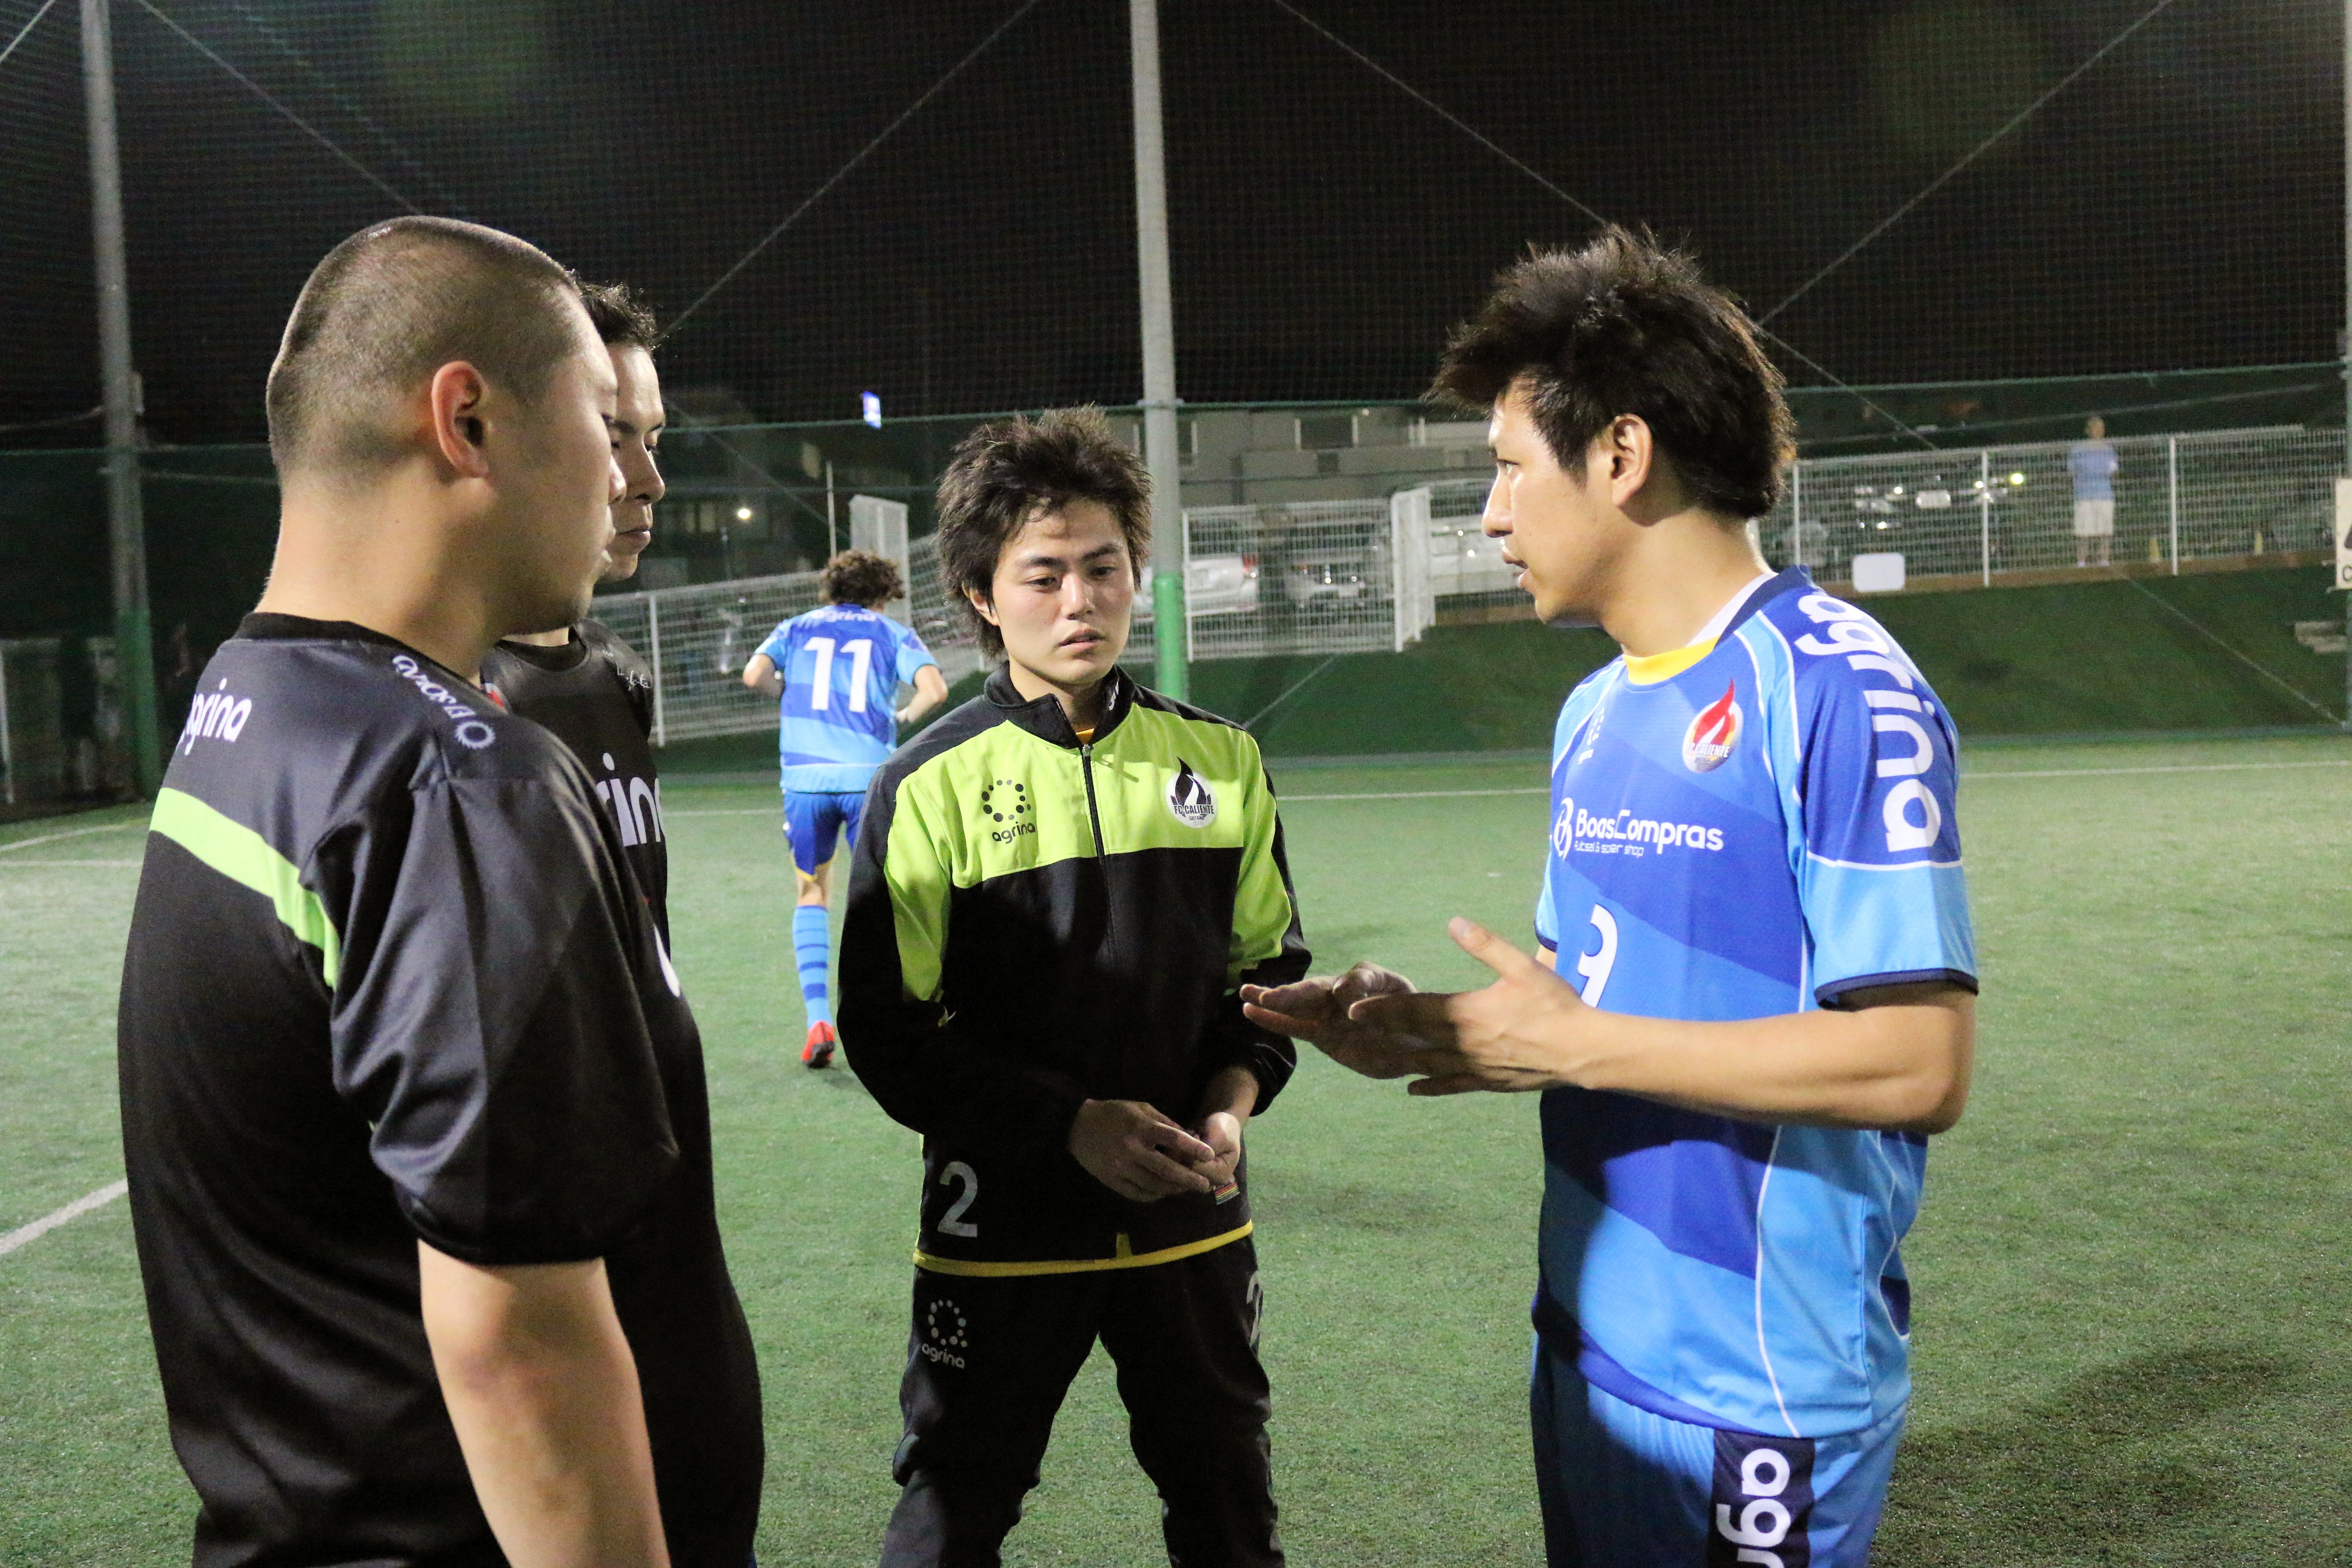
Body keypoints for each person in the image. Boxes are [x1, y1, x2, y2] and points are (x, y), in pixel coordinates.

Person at [1243, 227, 1978, 1568]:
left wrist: (1575, 1045)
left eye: (1510, 467)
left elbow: (1916, 1062)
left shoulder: (1834, 685)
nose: (1493, 515)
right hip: (1589, 1341)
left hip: (1755, 1384)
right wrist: (1434, 1028)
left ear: (1623, 455)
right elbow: (1586, 1015)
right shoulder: (1593, 711)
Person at [116, 216, 763, 1568]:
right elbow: (518, 1345)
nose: (624, 474)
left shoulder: (249, 700)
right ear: (467, 421)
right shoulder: (458, 780)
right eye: (598, 422)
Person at [837, 408, 1308, 1568]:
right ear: (982, 595)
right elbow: (888, 1033)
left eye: (1104, 569)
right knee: (952, 1513)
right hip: (1000, 1225)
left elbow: (1266, 982)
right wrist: (1067, 1124)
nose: (1080, 602)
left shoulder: (1222, 761)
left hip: (1189, 1216)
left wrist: (1229, 1109)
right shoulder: (924, 784)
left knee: (1229, 1509)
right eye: (1043, 576)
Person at [482, 279, 672, 937]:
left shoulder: (620, 672)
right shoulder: (433, 692)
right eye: (613, 440)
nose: (649, 483)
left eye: (653, 442)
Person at [741, 550, 947, 1066]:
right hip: (867, 780)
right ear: (882, 594)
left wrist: (788, 695)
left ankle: (818, 1021)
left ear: (832, 588)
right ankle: (893, 1019)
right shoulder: (891, 633)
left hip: (806, 781)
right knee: (882, 898)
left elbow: (754, 675)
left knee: (812, 891)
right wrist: (901, 716)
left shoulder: (795, 628)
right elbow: (934, 690)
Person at [2070, 413, 2118, 567]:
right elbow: (2072, 471)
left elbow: (2114, 471)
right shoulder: (2078, 449)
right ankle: (2082, 561)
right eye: (2096, 428)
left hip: (2104, 494)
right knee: (2083, 531)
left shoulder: (2108, 449)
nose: (2099, 431)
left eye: (2101, 428)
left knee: (2105, 530)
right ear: (2089, 430)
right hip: (2084, 495)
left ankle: (2104, 560)